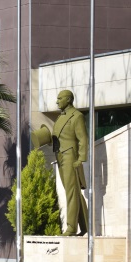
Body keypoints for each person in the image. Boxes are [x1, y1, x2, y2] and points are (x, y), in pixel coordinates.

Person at [52, 90, 89, 236]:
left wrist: (81, 159)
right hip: (60, 156)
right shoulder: (60, 117)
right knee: (74, 192)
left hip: (70, 156)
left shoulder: (77, 116)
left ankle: (71, 227)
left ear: (68, 99)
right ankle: (85, 227)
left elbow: (83, 138)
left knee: (71, 193)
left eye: (60, 98)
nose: (57, 101)